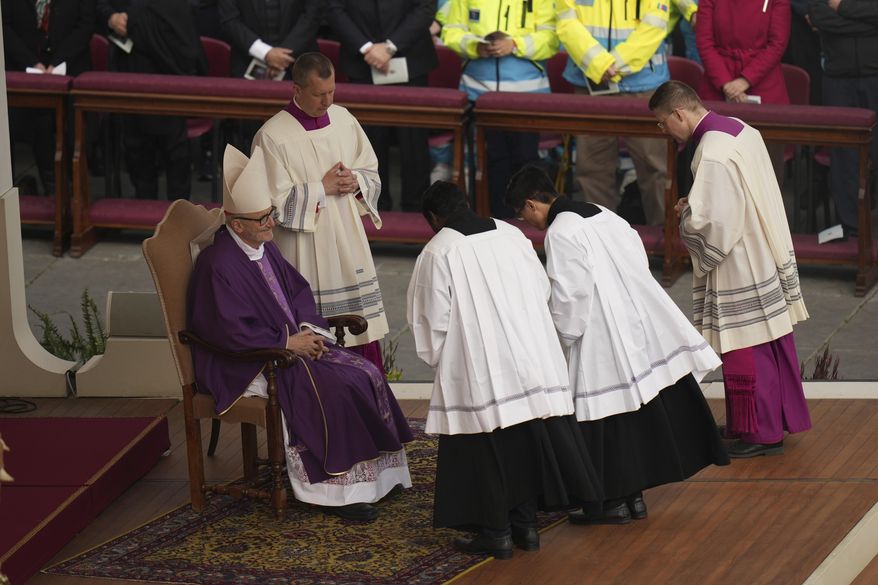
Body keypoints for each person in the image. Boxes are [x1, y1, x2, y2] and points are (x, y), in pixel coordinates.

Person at [188, 145, 413, 521]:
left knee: (364, 372)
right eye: (263, 218)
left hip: (286, 346)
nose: (272, 224)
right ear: (236, 224)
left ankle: (377, 478)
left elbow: (297, 291)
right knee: (333, 386)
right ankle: (337, 493)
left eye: (271, 215)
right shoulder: (218, 264)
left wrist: (307, 331)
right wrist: (286, 342)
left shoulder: (263, 246)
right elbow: (224, 328)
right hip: (246, 362)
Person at [506, 165, 728, 523]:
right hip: (634, 318)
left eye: (523, 215)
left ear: (532, 205)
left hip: (599, 332)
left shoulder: (560, 233)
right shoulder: (602, 212)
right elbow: (635, 257)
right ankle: (634, 500)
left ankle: (610, 504)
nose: (527, 223)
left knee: (603, 421)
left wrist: (560, 338)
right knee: (633, 415)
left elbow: (570, 295)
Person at [407, 181, 600, 558]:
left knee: (486, 449)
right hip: (530, 354)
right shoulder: (511, 233)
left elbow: (431, 322)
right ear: (466, 202)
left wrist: (445, 362)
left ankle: (495, 532)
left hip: (479, 364)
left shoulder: (438, 251)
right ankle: (526, 527)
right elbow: (542, 288)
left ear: (433, 218)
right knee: (525, 439)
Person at [648, 80, 812, 457]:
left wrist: (686, 214)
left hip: (740, 262)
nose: (663, 131)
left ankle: (762, 432)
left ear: (678, 113)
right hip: (760, 247)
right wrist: (699, 202)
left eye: (661, 123)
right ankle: (751, 422)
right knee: (767, 341)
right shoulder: (738, 127)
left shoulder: (713, 153)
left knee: (746, 346)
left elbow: (717, 227)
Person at [252, 52, 389, 369]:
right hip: (305, 247)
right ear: (296, 89)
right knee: (315, 324)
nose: (327, 101)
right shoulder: (272, 136)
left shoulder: (344, 119)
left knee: (359, 330)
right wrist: (321, 188)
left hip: (347, 235)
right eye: (318, 94)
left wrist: (356, 181)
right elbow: (270, 202)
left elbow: (370, 170)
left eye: (331, 92)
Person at [556, 0, 670, 226]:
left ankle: (665, 245)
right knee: (592, 169)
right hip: (590, 83)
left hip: (642, 87)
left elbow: (654, 25)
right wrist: (598, 64)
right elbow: (566, 21)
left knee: (655, 168)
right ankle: (601, 241)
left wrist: (613, 65)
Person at [441, 0, 558, 218]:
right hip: (480, 95)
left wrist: (514, 44)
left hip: (526, 96)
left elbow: (552, 38)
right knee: (491, 163)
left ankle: (530, 222)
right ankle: (496, 222)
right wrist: (475, 46)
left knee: (526, 162)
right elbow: (451, 31)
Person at [327, 0, 437, 212]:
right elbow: (333, 8)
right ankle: (372, 207)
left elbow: (425, 7)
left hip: (410, 61)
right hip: (361, 62)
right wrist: (367, 48)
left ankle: (416, 211)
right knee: (367, 142)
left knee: (413, 142)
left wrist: (390, 47)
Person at [97, 0, 207, 200]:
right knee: (137, 151)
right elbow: (101, 5)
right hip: (131, 77)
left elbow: (187, 44)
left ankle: (179, 217)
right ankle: (144, 213)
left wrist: (139, 16)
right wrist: (111, 18)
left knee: (176, 155)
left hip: (171, 81)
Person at [3, 0, 95, 197]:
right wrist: (31, 63)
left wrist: (58, 62)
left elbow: (86, 23)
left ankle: (73, 194)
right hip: (24, 69)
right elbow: (4, 25)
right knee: (38, 126)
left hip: (71, 69)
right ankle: (52, 191)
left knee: (73, 131)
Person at [696, 0, 791, 184]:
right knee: (716, 172)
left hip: (765, 85)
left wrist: (745, 79)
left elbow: (777, 43)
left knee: (765, 176)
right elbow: (704, 41)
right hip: (718, 85)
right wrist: (725, 83)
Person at [808, 0, 878, 238]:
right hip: (838, 81)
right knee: (844, 155)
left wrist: (841, 7)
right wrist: (867, 22)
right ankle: (852, 230)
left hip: (875, 77)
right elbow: (818, 16)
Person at [219, 0, 322, 80]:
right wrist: (265, 53)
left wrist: (282, 57)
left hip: (301, 64)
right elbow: (229, 20)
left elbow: (312, 16)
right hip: (246, 63)